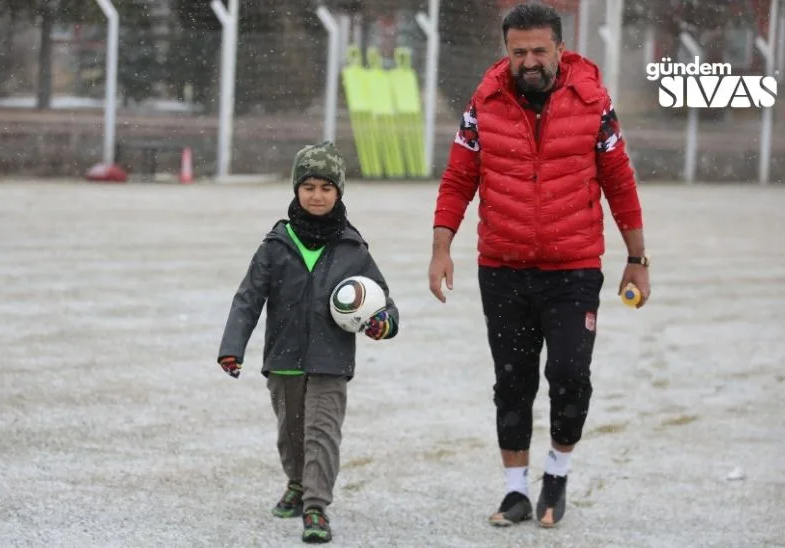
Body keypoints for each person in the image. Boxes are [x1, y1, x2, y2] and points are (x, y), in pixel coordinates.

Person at [427, 1, 651, 529]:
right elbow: (459, 178)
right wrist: (441, 248)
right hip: (501, 268)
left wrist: (637, 257)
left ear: (559, 49)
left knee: (570, 376)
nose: (528, 61)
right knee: (513, 383)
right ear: (506, 51)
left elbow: (619, 181)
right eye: (518, 51)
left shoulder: (594, 103)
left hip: (573, 269)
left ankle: (557, 474)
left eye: (538, 51)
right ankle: (515, 492)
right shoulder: (483, 102)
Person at [217, 141, 399, 544]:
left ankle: (316, 506)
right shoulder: (275, 245)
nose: (317, 196)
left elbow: (383, 302)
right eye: (309, 186)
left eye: (326, 188)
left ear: (339, 193)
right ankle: (296, 483)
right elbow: (248, 299)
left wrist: (383, 323)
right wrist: (232, 347)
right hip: (283, 357)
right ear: (296, 190)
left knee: (322, 432)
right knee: (291, 431)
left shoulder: (353, 248)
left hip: (331, 361)